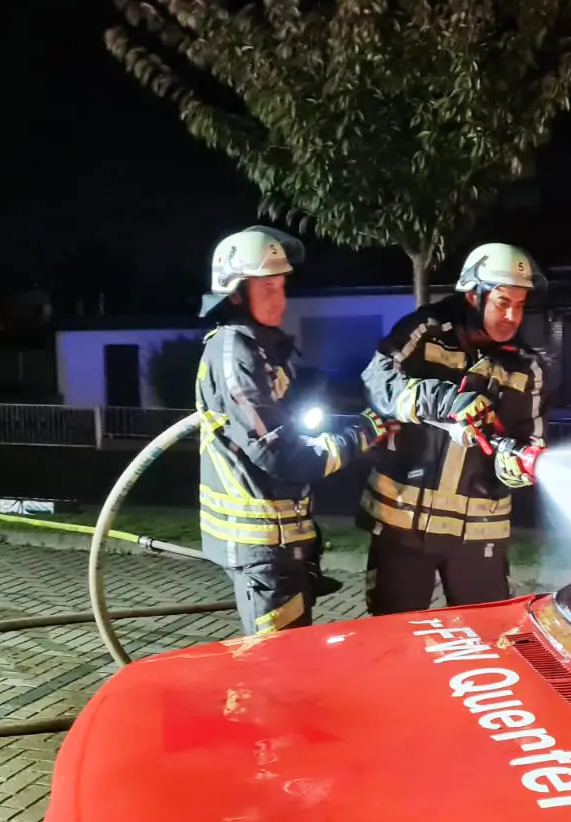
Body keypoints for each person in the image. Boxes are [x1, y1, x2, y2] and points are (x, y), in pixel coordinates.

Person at [195, 225, 394, 637]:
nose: (280, 300)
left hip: (281, 539)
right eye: (267, 289)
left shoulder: (259, 347)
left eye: (282, 287)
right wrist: (362, 432)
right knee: (276, 671)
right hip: (262, 544)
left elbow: (286, 425)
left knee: (293, 660)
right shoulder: (236, 353)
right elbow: (281, 454)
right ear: (235, 293)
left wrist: (356, 426)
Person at [357, 242, 551, 614]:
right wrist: (444, 401)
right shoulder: (425, 332)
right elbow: (376, 382)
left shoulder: (528, 369)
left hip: (479, 537)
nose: (512, 316)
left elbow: (530, 443)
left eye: (520, 305)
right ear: (473, 296)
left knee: (484, 639)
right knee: (390, 639)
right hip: (403, 526)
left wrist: (517, 463)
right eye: (502, 302)